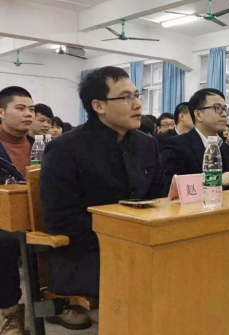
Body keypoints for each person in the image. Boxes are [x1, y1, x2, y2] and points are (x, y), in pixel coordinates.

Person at [40, 67, 165, 330]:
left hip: (141, 243)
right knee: (152, 277)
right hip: (86, 252)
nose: (137, 104)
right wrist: (122, 236)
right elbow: (60, 219)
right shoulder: (64, 149)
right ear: (98, 106)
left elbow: (159, 198)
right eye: (126, 97)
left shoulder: (147, 144)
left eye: (137, 95)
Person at [162, 88, 229, 193]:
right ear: (198, 114)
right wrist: (217, 180)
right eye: (217, 108)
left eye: (225, 109)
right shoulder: (176, 145)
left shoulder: (226, 148)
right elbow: (172, 187)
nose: (224, 114)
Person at [0, 86, 35, 335]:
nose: (28, 114)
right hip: (3, 218)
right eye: (20, 108)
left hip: (40, 212)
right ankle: (10, 311)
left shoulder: (45, 146)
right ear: (1, 112)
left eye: (31, 109)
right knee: (4, 241)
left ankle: (62, 300)